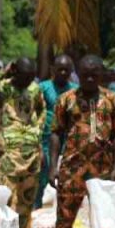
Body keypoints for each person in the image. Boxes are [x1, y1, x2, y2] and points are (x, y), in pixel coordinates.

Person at [49, 55, 115, 228]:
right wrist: (53, 167)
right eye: (85, 75)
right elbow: (56, 133)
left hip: (103, 169)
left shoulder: (112, 99)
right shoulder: (66, 100)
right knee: (65, 217)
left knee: (104, 219)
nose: (89, 79)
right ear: (78, 75)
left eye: (94, 75)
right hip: (72, 168)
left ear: (101, 75)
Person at [0, 59, 45, 228]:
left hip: (31, 152)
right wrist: (4, 72)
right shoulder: (3, 88)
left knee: (27, 199)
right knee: (4, 197)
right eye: (24, 77)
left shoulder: (34, 89)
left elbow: (41, 110)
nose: (28, 81)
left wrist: (37, 131)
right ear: (15, 72)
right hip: (8, 153)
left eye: (31, 77)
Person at [38, 55, 77, 201]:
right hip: (45, 140)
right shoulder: (43, 88)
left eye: (66, 70)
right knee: (42, 179)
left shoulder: (75, 91)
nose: (63, 73)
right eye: (59, 70)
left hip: (68, 142)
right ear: (52, 69)